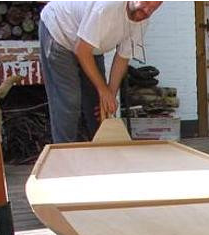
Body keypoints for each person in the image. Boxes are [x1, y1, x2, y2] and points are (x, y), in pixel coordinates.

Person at [39, 1, 162, 143]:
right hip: (60, 32)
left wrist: (110, 95)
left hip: (89, 45)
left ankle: (101, 148)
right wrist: (103, 90)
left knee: (99, 104)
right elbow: (82, 50)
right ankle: (64, 150)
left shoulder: (142, 22)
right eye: (145, 4)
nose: (146, 11)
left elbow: (122, 58)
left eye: (152, 9)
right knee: (70, 100)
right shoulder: (106, 7)